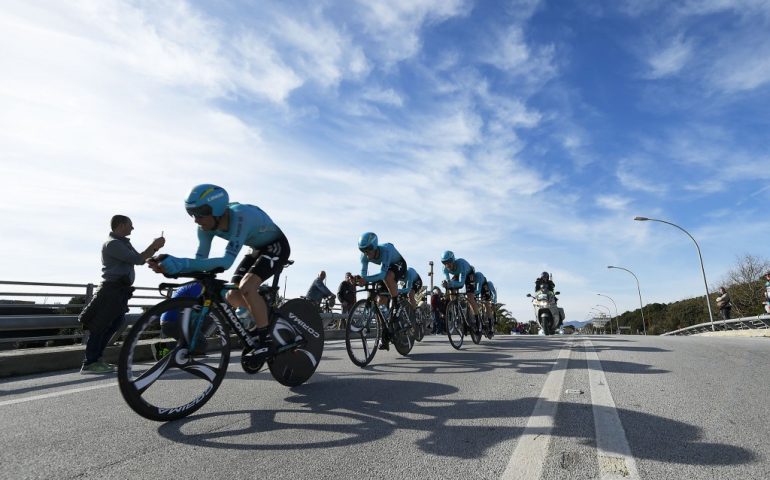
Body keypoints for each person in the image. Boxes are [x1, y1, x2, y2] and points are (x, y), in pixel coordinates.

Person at [149, 184, 290, 364]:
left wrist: (181, 263)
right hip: (256, 248)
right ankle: (258, 318)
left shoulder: (240, 216)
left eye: (199, 214)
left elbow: (225, 262)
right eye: (191, 214)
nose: (196, 220)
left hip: (276, 245)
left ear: (215, 210)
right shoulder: (204, 229)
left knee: (247, 287)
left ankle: (265, 339)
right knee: (232, 294)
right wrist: (171, 269)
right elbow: (199, 264)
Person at [78, 215, 165, 374]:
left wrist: (153, 254)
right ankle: (90, 362)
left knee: (116, 323)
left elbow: (139, 258)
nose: (133, 228)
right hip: (111, 289)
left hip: (119, 290)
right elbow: (138, 259)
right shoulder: (113, 244)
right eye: (130, 225)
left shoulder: (123, 243)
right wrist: (154, 246)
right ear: (121, 225)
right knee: (101, 325)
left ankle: (97, 359)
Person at [355, 231, 407, 350]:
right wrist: (359, 280)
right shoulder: (364, 257)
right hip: (387, 268)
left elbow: (382, 274)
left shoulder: (386, 250)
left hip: (399, 265)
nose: (366, 253)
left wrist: (365, 279)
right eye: (362, 250)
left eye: (368, 249)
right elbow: (364, 277)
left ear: (375, 246)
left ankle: (396, 303)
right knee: (381, 302)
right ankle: (385, 337)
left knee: (388, 276)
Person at [440, 250, 479, 320]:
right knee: (451, 289)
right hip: (458, 274)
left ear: (453, 260)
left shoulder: (461, 264)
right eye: (444, 262)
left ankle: (477, 321)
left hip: (469, 274)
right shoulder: (444, 269)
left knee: (470, 298)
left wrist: (451, 284)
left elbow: (461, 284)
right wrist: (446, 284)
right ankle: (456, 311)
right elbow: (449, 282)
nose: (447, 264)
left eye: (449, 261)